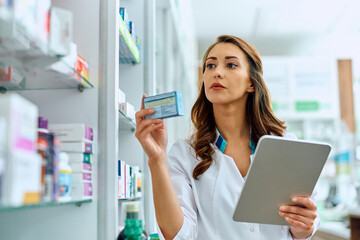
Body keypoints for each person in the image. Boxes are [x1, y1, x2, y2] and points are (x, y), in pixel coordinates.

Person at [135, 35, 319, 240]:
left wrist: (304, 227)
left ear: (251, 82)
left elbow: (302, 224)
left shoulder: (286, 146)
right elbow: (178, 234)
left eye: (231, 65)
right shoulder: (185, 154)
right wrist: (157, 159)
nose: (217, 73)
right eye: (210, 66)